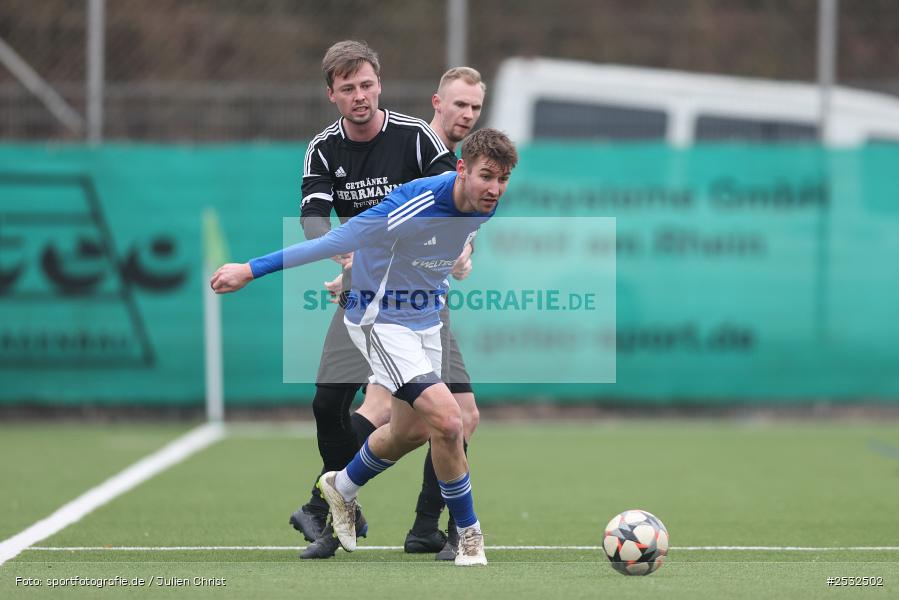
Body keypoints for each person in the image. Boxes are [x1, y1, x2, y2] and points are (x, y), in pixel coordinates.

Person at [211, 128, 519, 567]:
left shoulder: (484, 205)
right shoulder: (418, 200)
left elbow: (429, 250)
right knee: (450, 422)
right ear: (461, 169)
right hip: (381, 321)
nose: (494, 188)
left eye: (502, 179)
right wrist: (250, 269)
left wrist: (461, 252)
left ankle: (341, 487)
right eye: (486, 176)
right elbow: (340, 240)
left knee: (412, 431)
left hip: (426, 320)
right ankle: (470, 535)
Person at [289, 40, 467, 560]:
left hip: (419, 296)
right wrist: (341, 258)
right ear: (332, 95)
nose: (360, 95)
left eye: (367, 85)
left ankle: (451, 531)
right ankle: (337, 508)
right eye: (348, 89)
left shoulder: (414, 137)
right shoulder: (323, 148)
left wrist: (461, 247)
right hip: (362, 296)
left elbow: (457, 196)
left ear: (379, 85)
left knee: (452, 414)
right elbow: (314, 215)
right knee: (327, 402)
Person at [403, 66, 487, 560]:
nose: (468, 114)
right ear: (437, 102)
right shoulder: (416, 152)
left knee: (461, 416)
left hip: (430, 306)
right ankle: (326, 497)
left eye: (475, 107)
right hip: (391, 306)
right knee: (394, 424)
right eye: (460, 104)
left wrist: (463, 254)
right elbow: (386, 220)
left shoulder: (462, 164)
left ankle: (427, 527)